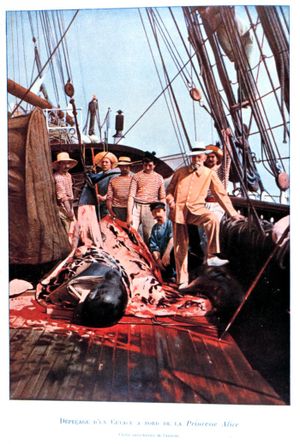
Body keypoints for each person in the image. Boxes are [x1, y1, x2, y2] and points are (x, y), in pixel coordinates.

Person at [166, 141, 244, 289]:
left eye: (198, 157)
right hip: (179, 212)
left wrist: (232, 213)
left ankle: (212, 255)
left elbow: (220, 194)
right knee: (180, 246)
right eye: (193, 157)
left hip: (197, 210)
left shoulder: (209, 174)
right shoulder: (180, 172)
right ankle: (182, 281)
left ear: (203, 157)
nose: (196, 160)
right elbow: (169, 191)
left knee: (212, 218)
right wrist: (171, 202)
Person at [127, 151, 166, 244]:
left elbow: (162, 197)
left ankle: (150, 257)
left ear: (154, 165)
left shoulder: (159, 178)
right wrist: (129, 215)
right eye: (145, 165)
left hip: (151, 208)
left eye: (150, 165)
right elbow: (131, 196)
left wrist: (162, 213)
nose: (147, 167)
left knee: (149, 235)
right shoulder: (136, 176)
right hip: (136, 207)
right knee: (131, 232)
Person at [52, 152, 78, 244]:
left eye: (68, 163)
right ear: (59, 164)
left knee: (74, 228)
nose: (67, 166)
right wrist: (69, 211)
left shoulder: (68, 175)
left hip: (69, 205)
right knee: (68, 229)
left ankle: (73, 248)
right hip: (62, 207)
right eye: (64, 163)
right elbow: (62, 196)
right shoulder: (57, 177)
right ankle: (68, 250)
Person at [148, 201, 175, 281]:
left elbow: (173, 238)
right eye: (154, 213)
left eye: (159, 211)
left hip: (171, 255)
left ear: (164, 211)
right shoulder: (154, 229)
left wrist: (167, 254)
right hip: (162, 259)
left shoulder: (170, 224)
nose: (157, 215)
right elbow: (154, 246)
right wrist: (158, 260)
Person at [106, 156, 134, 222]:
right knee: (118, 230)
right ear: (119, 167)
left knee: (131, 229)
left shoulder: (134, 179)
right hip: (117, 209)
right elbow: (109, 197)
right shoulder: (113, 180)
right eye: (122, 166)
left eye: (126, 166)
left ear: (129, 166)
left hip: (132, 208)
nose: (124, 168)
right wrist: (111, 211)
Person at [94, 151, 120, 218]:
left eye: (106, 162)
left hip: (110, 204)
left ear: (111, 164)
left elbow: (113, 188)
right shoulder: (99, 174)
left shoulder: (114, 174)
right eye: (102, 162)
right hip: (99, 204)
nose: (104, 164)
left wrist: (104, 197)